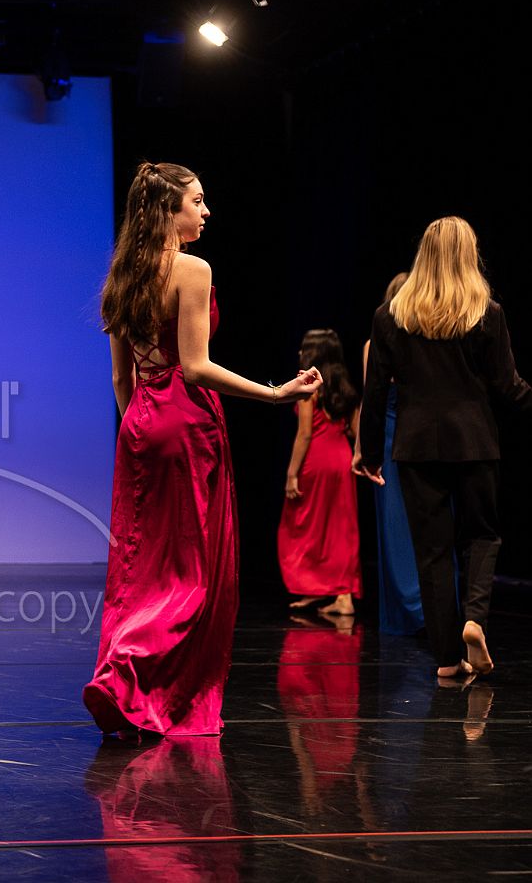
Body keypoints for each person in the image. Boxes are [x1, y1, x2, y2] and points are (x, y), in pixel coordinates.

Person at [86, 161, 320, 737]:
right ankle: (144, 679)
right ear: (168, 212)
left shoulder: (123, 274)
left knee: (141, 564)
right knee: (191, 572)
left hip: (140, 424)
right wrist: (274, 394)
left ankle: (120, 677)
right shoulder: (191, 269)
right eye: (197, 201)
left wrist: (141, 427)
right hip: (186, 423)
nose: (206, 211)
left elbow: (121, 379)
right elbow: (195, 367)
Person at [357, 216, 532, 680]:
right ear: (468, 256)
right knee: (482, 536)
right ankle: (474, 619)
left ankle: (448, 658)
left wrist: (370, 454)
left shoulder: (390, 316)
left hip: (415, 447)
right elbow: (509, 386)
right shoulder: (486, 313)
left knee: (432, 551)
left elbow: (375, 394)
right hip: (474, 442)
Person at [356, 273, 424, 635]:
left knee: (395, 524)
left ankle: (406, 611)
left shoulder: (376, 343)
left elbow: (372, 400)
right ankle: (429, 608)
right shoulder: (426, 338)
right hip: (418, 434)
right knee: (423, 522)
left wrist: (361, 449)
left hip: (389, 436)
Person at [277, 329, 361, 616]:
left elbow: (304, 434)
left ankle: (318, 586)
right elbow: (355, 432)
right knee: (341, 528)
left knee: (304, 526)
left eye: (304, 349)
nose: (300, 353)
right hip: (342, 459)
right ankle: (342, 595)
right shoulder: (347, 388)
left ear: (314, 354)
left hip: (316, 460)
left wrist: (291, 474)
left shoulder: (309, 388)